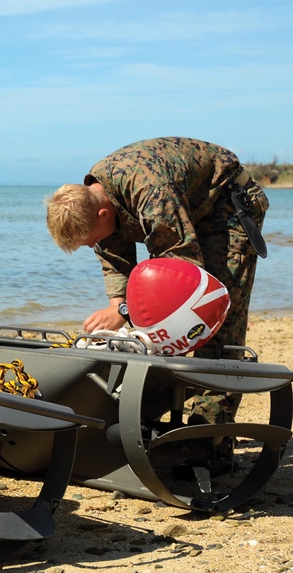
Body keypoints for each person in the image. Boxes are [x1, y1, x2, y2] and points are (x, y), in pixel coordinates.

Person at [44, 136, 268, 427]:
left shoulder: (151, 192)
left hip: (225, 207)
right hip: (184, 206)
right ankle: (148, 418)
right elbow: (115, 260)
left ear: (103, 214)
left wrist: (129, 315)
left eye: (92, 240)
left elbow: (181, 274)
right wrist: (119, 310)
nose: (92, 247)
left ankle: (211, 436)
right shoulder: (95, 199)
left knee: (214, 316)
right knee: (155, 330)